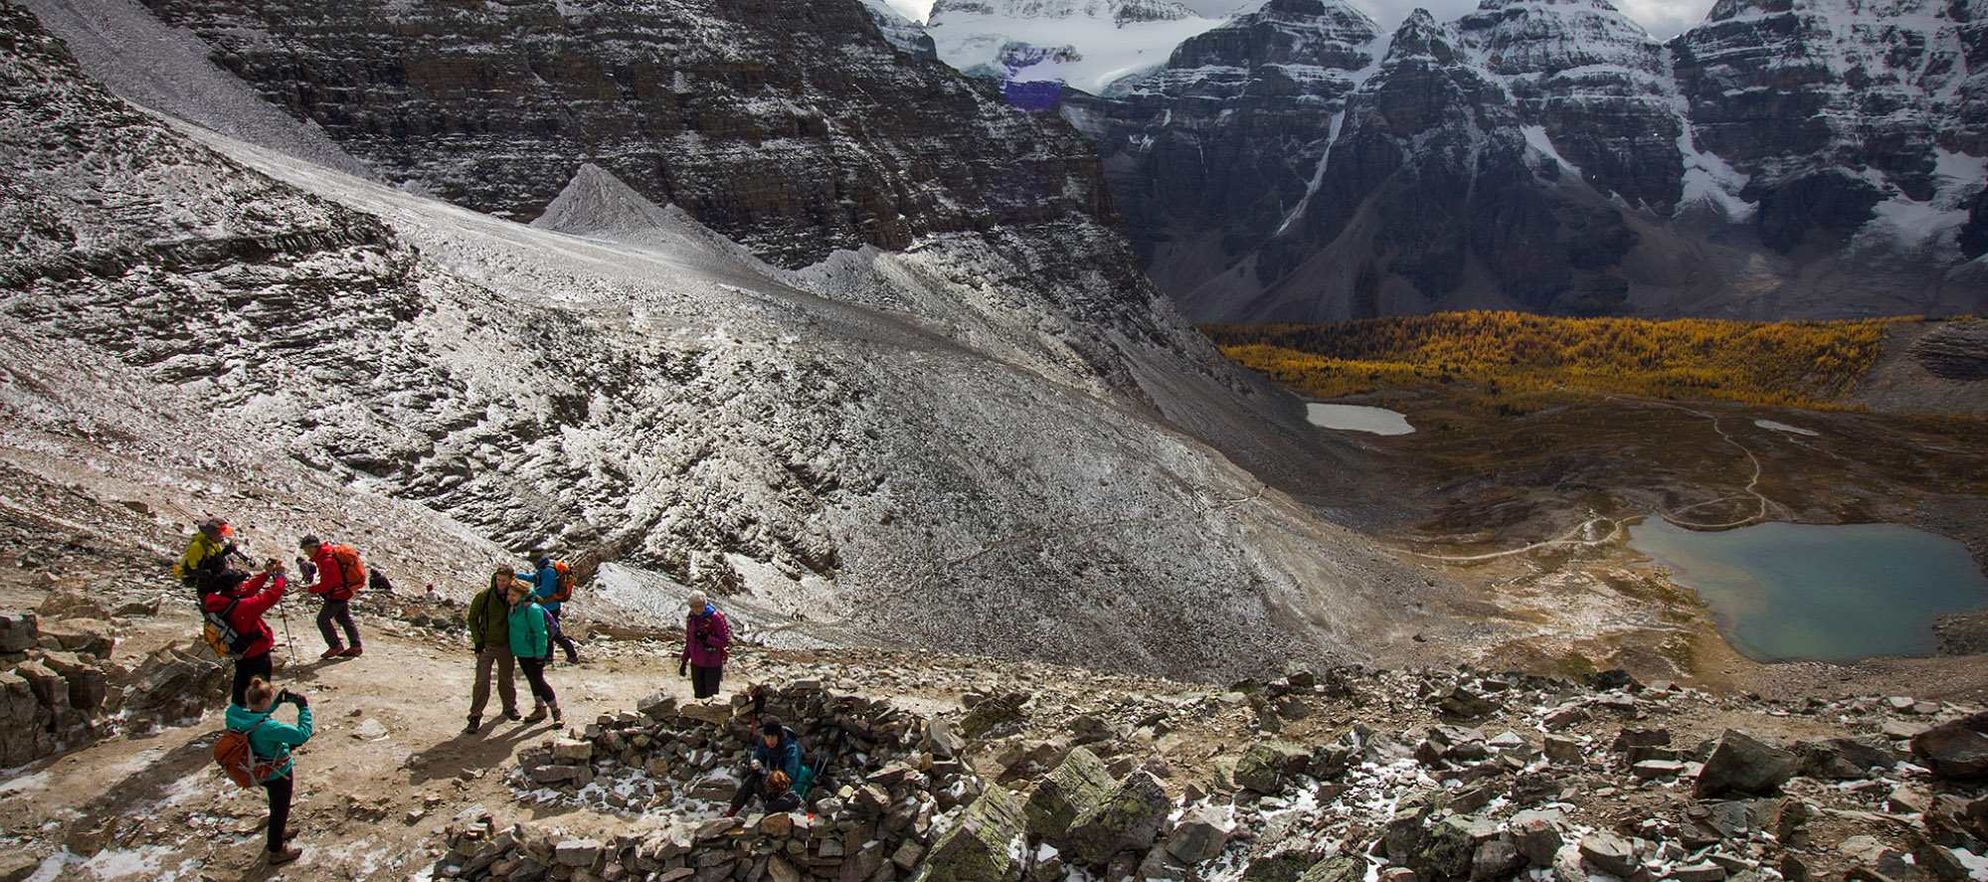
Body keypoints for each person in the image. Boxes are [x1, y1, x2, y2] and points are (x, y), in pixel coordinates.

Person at [226, 676, 313, 865]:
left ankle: (279, 829)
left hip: (255, 767)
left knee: (275, 803)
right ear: (264, 701)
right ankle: (276, 848)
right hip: (277, 771)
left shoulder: (234, 714)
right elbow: (301, 735)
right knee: (280, 808)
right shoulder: (269, 728)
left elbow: (256, 716)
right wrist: (303, 708)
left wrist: (274, 705)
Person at [200, 560, 288, 707]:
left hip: (240, 651)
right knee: (260, 687)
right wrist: (280, 577)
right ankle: (259, 716)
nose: (243, 585)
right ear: (234, 586)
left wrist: (266, 574)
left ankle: (237, 716)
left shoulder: (221, 601)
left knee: (241, 683)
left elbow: (247, 590)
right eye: (239, 583)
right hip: (256, 652)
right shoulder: (243, 607)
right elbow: (272, 595)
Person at [464, 568, 522, 734]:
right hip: (487, 644)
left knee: (506, 678)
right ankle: (475, 715)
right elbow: (472, 618)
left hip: (506, 644)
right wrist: (478, 642)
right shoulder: (484, 596)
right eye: (499, 580)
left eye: (504, 580)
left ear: (511, 580)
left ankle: (509, 707)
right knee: (482, 681)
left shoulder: (515, 597)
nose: (500, 583)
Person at [506, 578, 561, 725]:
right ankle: (539, 708)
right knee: (533, 681)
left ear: (522, 595)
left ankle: (556, 711)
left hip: (533, 653)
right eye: (509, 594)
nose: (510, 598)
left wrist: (540, 655)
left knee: (539, 682)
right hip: (521, 651)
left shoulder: (532, 609)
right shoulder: (515, 607)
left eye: (513, 595)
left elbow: (540, 633)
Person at [299, 535, 364, 659]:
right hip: (343, 591)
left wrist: (310, 589)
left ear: (312, 548)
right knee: (344, 619)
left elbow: (327, 585)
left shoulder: (326, 560)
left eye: (306, 549)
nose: (306, 553)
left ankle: (335, 646)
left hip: (336, 594)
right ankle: (355, 646)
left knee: (322, 620)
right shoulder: (326, 556)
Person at [727, 716, 803, 817]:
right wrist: (755, 763)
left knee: (775, 804)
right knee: (752, 779)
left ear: (779, 736)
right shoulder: (763, 743)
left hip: (785, 787)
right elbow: (758, 757)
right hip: (769, 780)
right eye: (767, 737)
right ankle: (732, 811)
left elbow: (790, 776)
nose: (770, 741)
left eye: (773, 737)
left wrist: (767, 773)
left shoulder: (790, 749)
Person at [519, 550, 579, 664]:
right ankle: (549, 656)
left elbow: (545, 590)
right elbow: (535, 578)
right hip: (550, 605)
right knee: (549, 632)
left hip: (550, 606)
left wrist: (529, 594)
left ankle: (572, 655)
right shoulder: (546, 568)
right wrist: (518, 576)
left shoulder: (547, 571)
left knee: (555, 633)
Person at [679, 591, 730, 699]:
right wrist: (684, 661)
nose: (697, 609)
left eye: (700, 605)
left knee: (711, 696)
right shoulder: (691, 618)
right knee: (698, 695)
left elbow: (724, 640)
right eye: (694, 606)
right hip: (696, 663)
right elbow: (689, 640)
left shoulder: (715, 617)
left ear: (705, 604)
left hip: (712, 662)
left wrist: (707, 638)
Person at [176, 517, 236, 591]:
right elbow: (190, 569)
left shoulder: (213, 542)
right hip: (194, 576)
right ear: (212, 533)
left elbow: (216, 557)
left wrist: (225, 552)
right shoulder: (197, 546)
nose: (223, 536)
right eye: (220, 533)